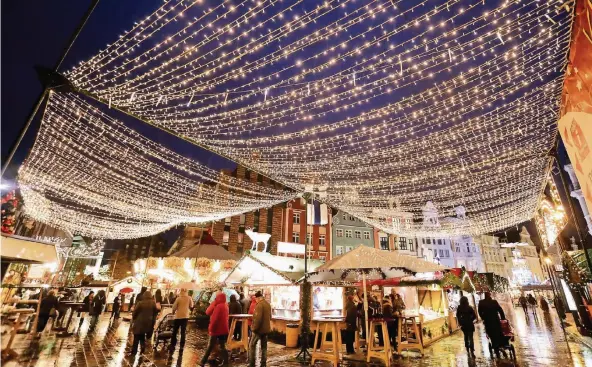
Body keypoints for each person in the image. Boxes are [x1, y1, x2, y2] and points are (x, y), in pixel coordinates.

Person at [200, 292, 229, 367]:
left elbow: (214, 318)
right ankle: (226, 362)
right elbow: (208, 312)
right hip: (224, 329)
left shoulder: (218, 306)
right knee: (222, 346)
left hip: (216, 330)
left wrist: (211, 328)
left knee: (210, 346)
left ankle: (203, 361)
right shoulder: (225, 305)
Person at [478, 292, 506, 358]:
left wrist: (483, 317)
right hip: (495, 320)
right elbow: (500, 310)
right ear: (490, 295)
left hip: (488, 321)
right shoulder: (494, 302)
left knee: (491, 334)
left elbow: (479, 312)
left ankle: (496, 348)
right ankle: (500, 345)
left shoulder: (481, 302)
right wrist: (503, 318)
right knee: (498, 333)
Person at [130, 290, 158, 356]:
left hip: (139, 322)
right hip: (148, 322)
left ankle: (134, 351)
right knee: (142, 335)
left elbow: (135, 312)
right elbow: (155, 313)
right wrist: (152, 322)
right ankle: (142, 347)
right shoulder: (153, 303)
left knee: (136, 336)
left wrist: (133, 318)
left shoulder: (140, 303)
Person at [250, 291, 271, 367]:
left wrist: (254, 328)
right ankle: (263, 363)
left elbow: (257, 319)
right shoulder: (268, 304)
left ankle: (252, 363)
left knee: (252, 345)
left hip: (259, 330)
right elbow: (270, 317)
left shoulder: (259, 305)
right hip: (266, 329)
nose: (256, 300)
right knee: (264, 347)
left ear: (258, 298)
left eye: (256, 299)